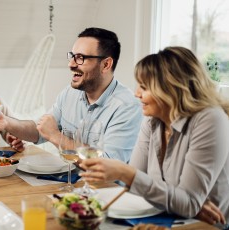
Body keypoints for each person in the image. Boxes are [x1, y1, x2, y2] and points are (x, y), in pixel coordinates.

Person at [80, 46, 229, 227]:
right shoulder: (153, 120)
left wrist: (125, 172)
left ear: (171, 89)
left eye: (144, 87)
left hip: (202, 225)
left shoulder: (210, 119)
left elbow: (186, 202)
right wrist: (183, 203)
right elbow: (135, 189)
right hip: (167, 218)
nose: (137, 93)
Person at [0, 27, 142, 162]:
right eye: (72, 56)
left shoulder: (126, 106)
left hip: (105, 194)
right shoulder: (70, 93)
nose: (71, 64)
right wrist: (6, 122)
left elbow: (108, 166)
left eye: (80, 58)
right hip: (68, 182)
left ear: (106, 65)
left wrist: (55, 136)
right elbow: (39, 132)